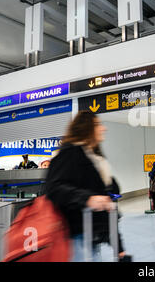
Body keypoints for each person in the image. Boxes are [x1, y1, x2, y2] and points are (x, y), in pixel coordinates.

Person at [45, 111, 127, 262]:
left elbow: (108, 203)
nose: (104, 128)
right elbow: (54, 188)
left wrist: (119, 248)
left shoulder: (95, 158)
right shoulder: (70, 153)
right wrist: (87, 199)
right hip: (77, 238)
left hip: (93, 237)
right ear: (86, 128)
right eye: (98, 124)